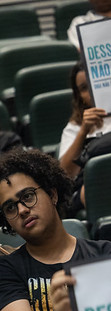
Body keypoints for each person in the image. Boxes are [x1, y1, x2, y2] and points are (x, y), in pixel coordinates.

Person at [0, 148, 111, 311]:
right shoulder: (2, 268)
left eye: (27, 196)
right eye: (10, 207)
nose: (21, 210)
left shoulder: (103, 254)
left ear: (53, 194)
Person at [58, 61, 111, 209]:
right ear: (79, 96)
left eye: (95, 83)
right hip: (94, 187)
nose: (92, 91)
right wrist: (83, 132)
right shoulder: (74, 127)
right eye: (84, 88)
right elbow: (64, 176)